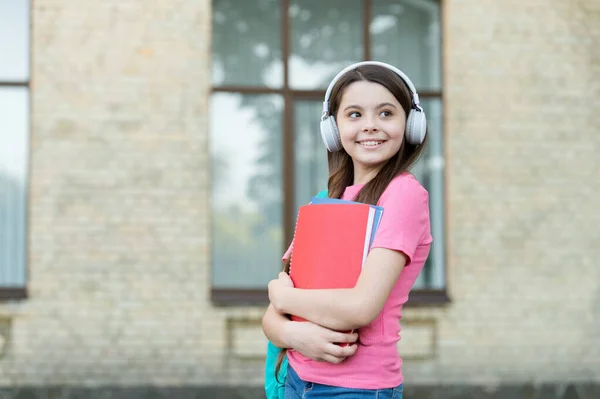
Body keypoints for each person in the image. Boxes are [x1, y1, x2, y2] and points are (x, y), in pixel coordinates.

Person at [262, 61, 433, 399]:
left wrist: (281, 296)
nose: (370, 126)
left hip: (353, 389)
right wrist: (294, 335)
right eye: (355, 115)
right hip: (297, 380)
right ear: (334, 128)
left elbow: (361, 307)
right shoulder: (328, 199)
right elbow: (272, 320)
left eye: (386, 113)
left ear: (411, 124)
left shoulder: (404, 194)